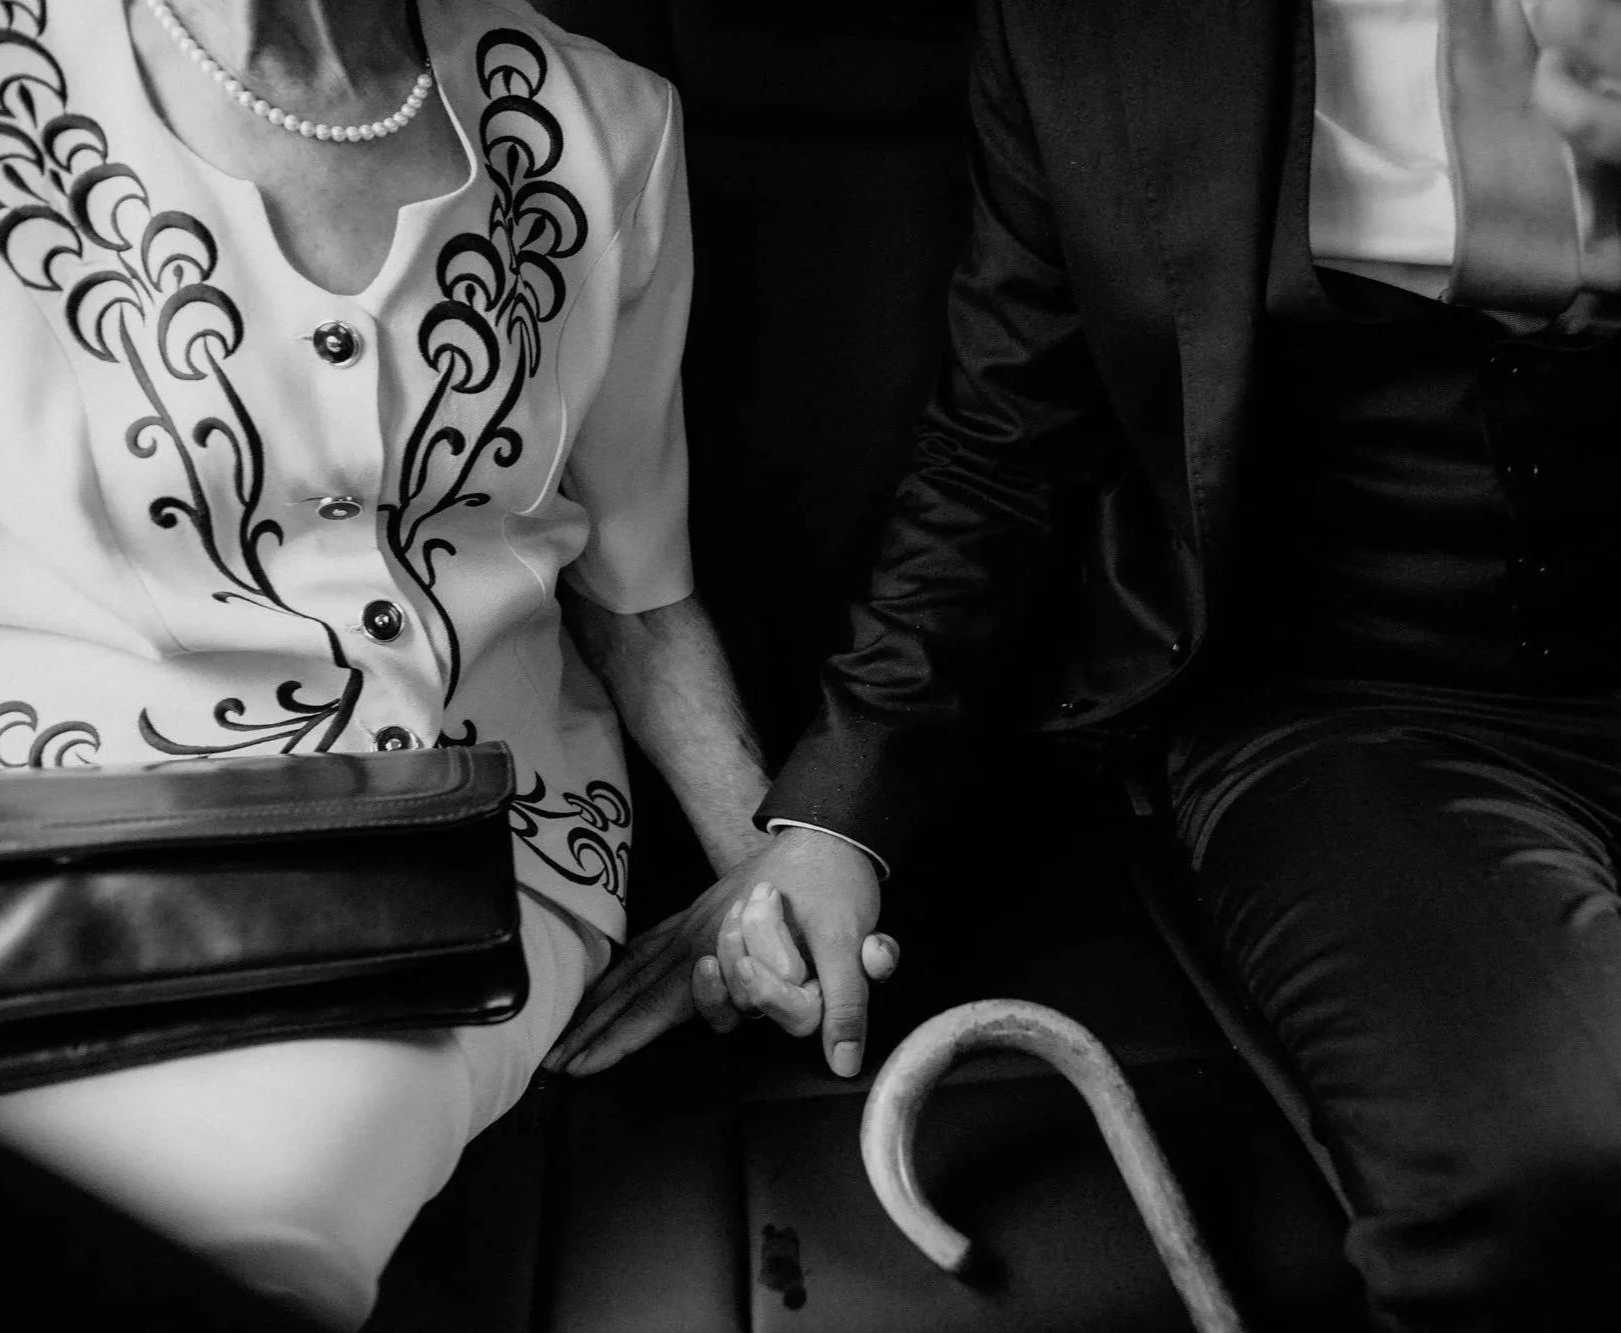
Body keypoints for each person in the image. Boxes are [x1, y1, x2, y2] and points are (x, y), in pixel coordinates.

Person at [557, 0, 1621, 1328]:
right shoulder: (1084, 29)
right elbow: (1005, 449)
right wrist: (832, 819)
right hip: (1354, 709)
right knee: (1551, 1172)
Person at [0, 0, 887, 1325]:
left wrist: (769, 876)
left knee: (231, 1233)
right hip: (13, 835)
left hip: (444, 874)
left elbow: (637, 596)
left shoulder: (600, 123)